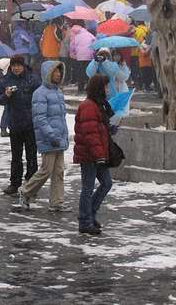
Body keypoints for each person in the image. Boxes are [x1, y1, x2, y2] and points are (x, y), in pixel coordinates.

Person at [18, 61, 70, 212]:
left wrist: (63, 136)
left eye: (59, 72)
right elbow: (40, 118)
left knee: (59, 172)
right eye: (55, 71)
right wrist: (51, 135)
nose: (58, 74)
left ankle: (56, 202)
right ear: (48, 73)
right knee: (46, 170)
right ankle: (25, 191)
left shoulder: (58, 92)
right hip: (49, 139)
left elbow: (61, 118)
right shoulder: (40, 93)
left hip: (59, 138)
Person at [74, 75, 114, 235]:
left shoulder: (100, 105)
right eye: (106, 86)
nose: (108, 89)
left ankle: (90, 213)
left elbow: (98, 128)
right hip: (89, 154)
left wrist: (110, 129)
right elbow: (89, 133)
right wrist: (99, 155)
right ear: (99, 88)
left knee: (107, 183)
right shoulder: (88, 106)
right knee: (88, 188)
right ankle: (85, 221)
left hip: (98, 153)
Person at [0, 55, 41, 196]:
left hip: (30, 123)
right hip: (15, 123)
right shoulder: (6, 80)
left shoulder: (32, 79)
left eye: (18, 65)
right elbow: (0, 100)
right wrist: (6, 95)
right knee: (16, 156)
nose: (16, 68)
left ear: (23, 66)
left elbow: (39, 97)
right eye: (14, 65)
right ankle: (14, 183)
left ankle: (31, 184)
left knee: (31, 156)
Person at [69, 25, 95, 93]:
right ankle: (89, 88)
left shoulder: (76, 37)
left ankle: (80, 89)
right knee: (89, 72)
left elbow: (72, 46)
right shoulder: (90, 35)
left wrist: (73, 54)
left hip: (79, 57)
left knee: (80, 73)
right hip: (89, 56)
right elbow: (95, 43)